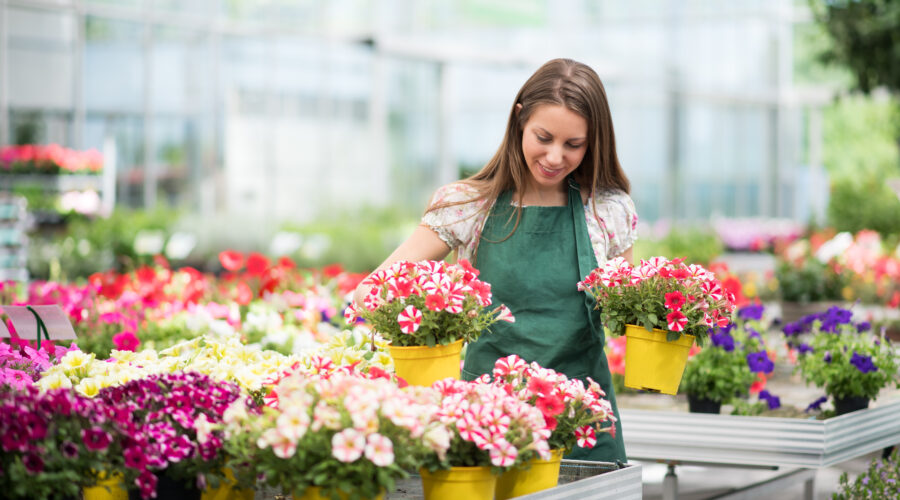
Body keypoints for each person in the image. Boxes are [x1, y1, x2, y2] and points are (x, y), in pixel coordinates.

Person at [354, 58, 636, 463]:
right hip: (488, 422)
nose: (556, 157)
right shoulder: (468, 206)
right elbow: (371, 291)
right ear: (519, 118)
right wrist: (427, 332)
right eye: (544, 137)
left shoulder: (607, 211)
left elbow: (623, 312)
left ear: (594, 142)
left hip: (582, 421)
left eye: (574, 144)